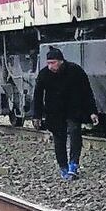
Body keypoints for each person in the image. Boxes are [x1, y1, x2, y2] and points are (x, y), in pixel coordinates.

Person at [31, 46, 99, 180]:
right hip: (54, 112)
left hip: (73, 109)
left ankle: (73, 164)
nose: (50, 66)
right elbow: (37, 96)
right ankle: (63, 167)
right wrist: (36, 116)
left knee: (75, 133)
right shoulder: (44, 74)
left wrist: (92, 112)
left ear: (61, 61)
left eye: (53, 63)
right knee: (59, 139)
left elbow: (86, 92)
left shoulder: (75, 71)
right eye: (48, 63)